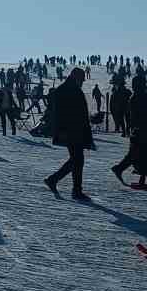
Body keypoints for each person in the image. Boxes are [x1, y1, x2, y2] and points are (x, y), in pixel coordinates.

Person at [44, 67, 93, 200]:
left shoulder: (69, 88)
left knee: (76, 159)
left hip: (75, 130)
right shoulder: (66, 90)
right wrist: (62, 131)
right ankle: (75, 190)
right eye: (82, 79)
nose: (83, 82)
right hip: (71, 130)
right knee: (77, 159)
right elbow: (60, 113)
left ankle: (54, 180)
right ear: (76, 77)